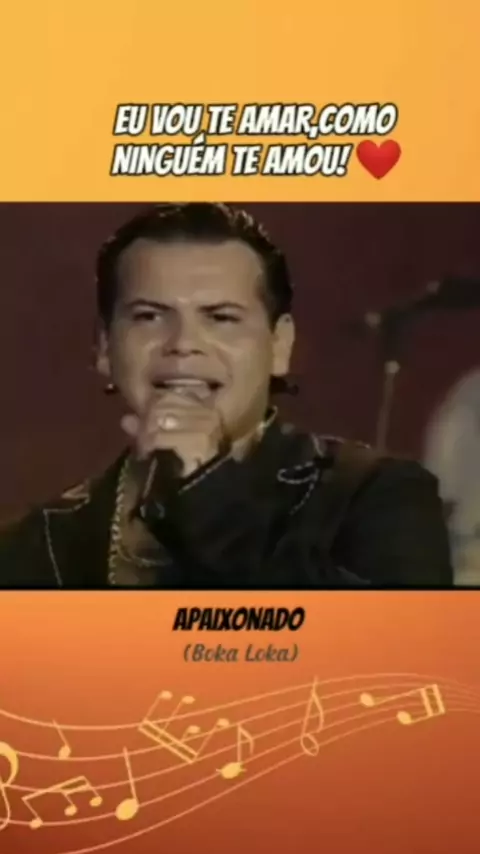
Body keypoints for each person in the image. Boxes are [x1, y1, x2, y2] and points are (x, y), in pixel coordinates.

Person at [0, 202, 452, 589]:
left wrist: (205, 486)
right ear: (104, 347)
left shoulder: (380, 498)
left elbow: (384, 653)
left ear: (280, 345)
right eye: (149, 316)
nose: (183, 343)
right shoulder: (36, 542)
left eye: (221, 318)